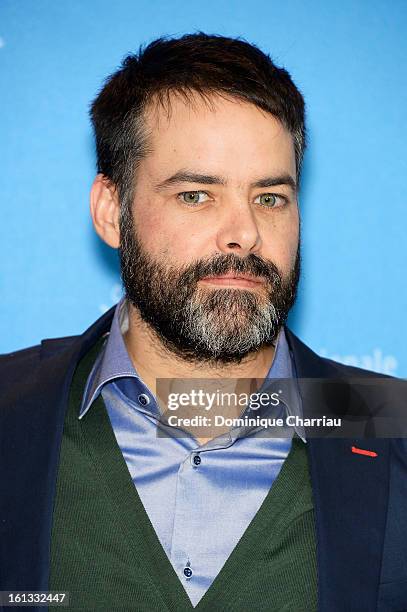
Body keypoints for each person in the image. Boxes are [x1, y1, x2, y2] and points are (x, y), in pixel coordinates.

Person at [1, 33, 406, 612]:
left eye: (270, 198)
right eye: (196, 195)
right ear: (112, 212)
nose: (243, 233)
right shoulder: (12, 413)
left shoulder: (391, 428)